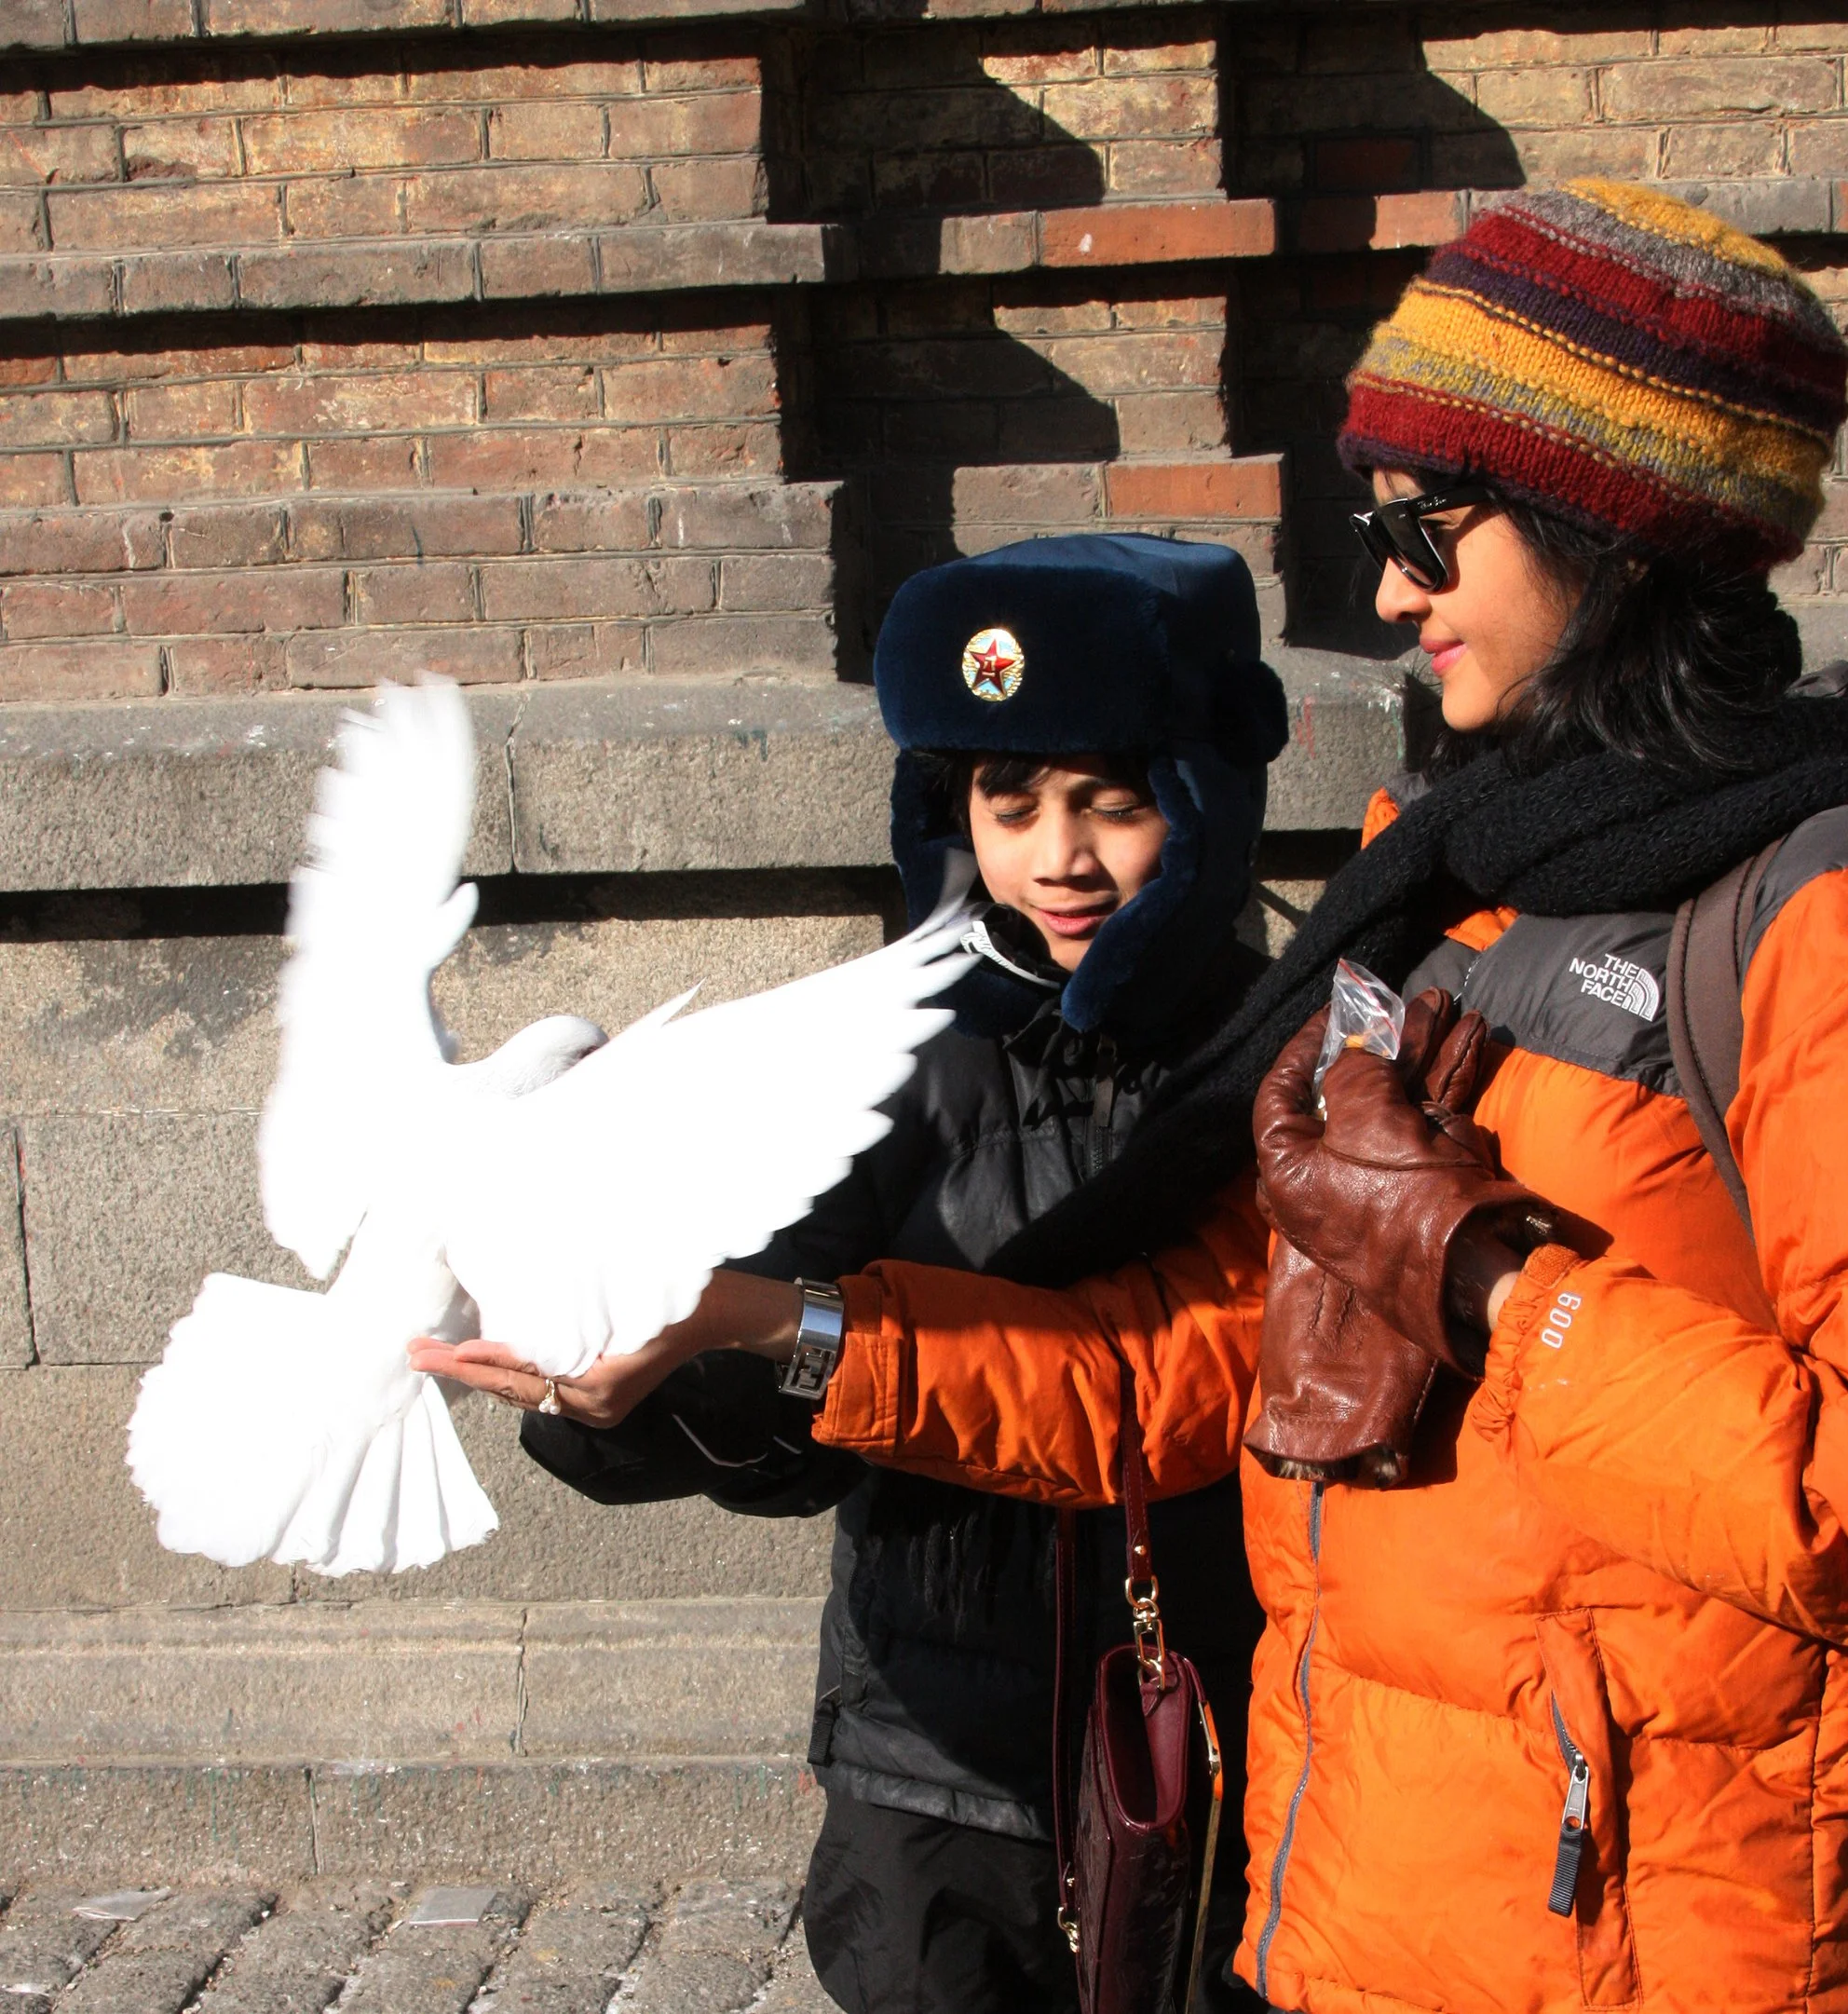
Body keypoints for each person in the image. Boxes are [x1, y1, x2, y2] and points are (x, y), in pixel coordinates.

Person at [729, 182, 1848, 2014]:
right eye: (1372, 524)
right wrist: (755, 1336)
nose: (1389, 586)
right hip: (1348, 1927)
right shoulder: (1448, 876)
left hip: (1669, 1950)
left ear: (1614, 527)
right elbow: (1176, 1363)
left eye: (1432, 523)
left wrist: (1485, 1276)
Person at [413, 531, 1284, 2014]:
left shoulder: (1283, 1057)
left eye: (1113, 803)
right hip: (932, 1741)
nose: (1058, 857)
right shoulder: (885, 1066)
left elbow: (1180, 1391)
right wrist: (635, 1371)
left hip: (1212, 1713)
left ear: (1201, 798)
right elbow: (781, 1420)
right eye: (1010, 805)